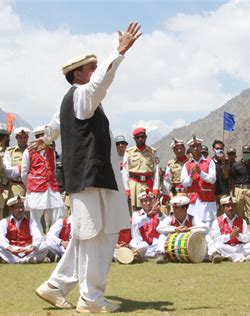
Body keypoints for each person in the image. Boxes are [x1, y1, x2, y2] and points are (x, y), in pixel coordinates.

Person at [35, 22, 140, 313]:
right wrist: (118, 53)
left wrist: (44, 140)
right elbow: (99, 84)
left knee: (89, 235)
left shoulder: (69, 102)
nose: (95, 70)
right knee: (98, 236)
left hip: (91, 179)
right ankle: (91, 300)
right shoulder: (82, 96)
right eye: (90, 67)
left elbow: (53, 128)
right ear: (78, 75)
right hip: (91, 178)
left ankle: (54, 287)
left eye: (96, 66)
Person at [21, 126, 64, 233]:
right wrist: (31, 185)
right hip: (36, 190)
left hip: (51, 189)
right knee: (35, 219)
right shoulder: (28, 151)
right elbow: (24, 172)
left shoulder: (51, 151)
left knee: (57, 214)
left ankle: (53, 240)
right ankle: (38, 242)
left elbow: (53, 170)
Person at [0, 195, 49, 264]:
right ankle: (26, 260)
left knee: (45, 245)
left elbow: (37, 236)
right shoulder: (4, 221)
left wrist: (32, 248)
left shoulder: (31, 221)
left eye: (22, 207)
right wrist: (10, 249)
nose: (21, 210)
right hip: (11, 249)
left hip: (27, 248)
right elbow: (0, 237)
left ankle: (11, 260)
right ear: (11, 209)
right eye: (18, 208)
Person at [155, 195, 209, 264]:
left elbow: (205, 228)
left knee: (207, 236)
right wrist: (175, 229)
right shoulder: (170, 218)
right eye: (173, 207)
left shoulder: (192, 219)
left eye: (177, 207)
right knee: (162, 235)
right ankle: (160, 254)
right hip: (173, 250)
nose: (174, 210)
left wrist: (190, 230)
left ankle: (213, 254)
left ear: (185, 208)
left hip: (190, 250)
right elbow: (159, 228)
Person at [208, 196, 250, 263]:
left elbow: (248, 237)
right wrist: (230, 236)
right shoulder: (217, 221)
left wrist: (238, 236)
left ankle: (229, 257)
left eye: (232, 205)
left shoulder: (241, 220)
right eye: (228, 206)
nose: (230, 208)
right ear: (223, 208)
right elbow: (216, 239)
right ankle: (242, 257)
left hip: (239, 247)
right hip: (226, 247)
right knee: (215, 246)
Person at [181, 136, 217, 227]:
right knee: (194, 226)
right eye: (193, 147)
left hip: (207, 202)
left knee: (208, 226)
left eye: (198, 146)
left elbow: (213, 179)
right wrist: (191, 176)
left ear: (201, 147)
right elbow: (184, 182)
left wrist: (200, 173)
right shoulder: (187, 164)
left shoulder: (209, 162)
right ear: (190, 149)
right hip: (193, 202)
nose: (196, 148)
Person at [122, 127, 160, 213]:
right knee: (135, 212)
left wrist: (155, 188)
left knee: (150, 210)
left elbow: (156, 171)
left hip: (148, 184)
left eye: (142, 137)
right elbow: (125, 172)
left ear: (146, 137)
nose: (140, 139)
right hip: (134, 186)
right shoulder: (129, 152)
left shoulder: (153, 152)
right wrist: (127, 189)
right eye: (137, 137)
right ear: (134, 138)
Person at [129, 190, 164, 259]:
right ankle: (143, 254)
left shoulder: (158, 214)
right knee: (143, 245)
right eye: (145, 201)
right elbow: (137, 222)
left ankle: (139, 254)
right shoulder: (136, 214)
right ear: (141, 202)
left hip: (153, 245)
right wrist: (148, 215)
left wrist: (160, 214)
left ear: (153, 202)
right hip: (140, 244)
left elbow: (167, 222)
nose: (148, 203)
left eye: (150, 200)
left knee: (162, 242)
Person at [4, 127, 30, 201]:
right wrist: (23, 168)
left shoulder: (32, 151)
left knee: (30, 211)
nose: (23, 139)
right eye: (20, 137)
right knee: (16, 210)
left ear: (28, 138)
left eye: (25, 137)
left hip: (31, 186)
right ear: (16, 138)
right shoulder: (10, 151)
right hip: (16, 187)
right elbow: (7, 171)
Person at [162, 139, 187, 206]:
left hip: (189, 193)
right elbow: (167, 181)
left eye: (180, 148)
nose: (179, 151)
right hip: (176, 194)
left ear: (184, 149)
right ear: (173, 151)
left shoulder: (190, 162)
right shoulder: (170, 164)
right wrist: (166, 195)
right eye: (176, 149)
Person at [211, 140, 232, 215]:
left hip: (223, 192)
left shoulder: (227, 162)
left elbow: (226, 176)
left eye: (221, 148)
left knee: (224, 214)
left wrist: (223, 162)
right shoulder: (209, 162)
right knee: (214, 214)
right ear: (213, 149)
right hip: (212, 192)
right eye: (217, 148)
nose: (219, 150)